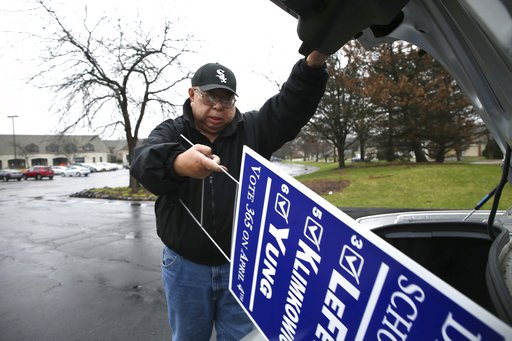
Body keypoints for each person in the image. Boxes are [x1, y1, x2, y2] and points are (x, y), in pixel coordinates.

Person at [130, 50, 329, 341]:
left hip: (241, 266)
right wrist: (178, 163)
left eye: (227, 99)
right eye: (210, 98)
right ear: (192, 94)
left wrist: (312, 66)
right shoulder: (172, 131)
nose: (218, 108)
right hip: (184, 266)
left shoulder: (254, 128)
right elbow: (143, 160)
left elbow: (291, 106)